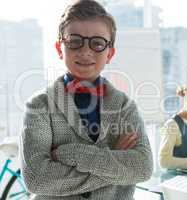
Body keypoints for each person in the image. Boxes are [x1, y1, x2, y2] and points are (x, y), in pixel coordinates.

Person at [19, 0, 153, 199]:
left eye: (97, 43)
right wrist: (114, 159)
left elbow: (142, 167)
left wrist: (70, 153)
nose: (85, 51)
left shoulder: (125, 107)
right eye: (74, 41)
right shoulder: (39, 105)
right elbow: (37, 179)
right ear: (59, 48)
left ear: (110, 53)